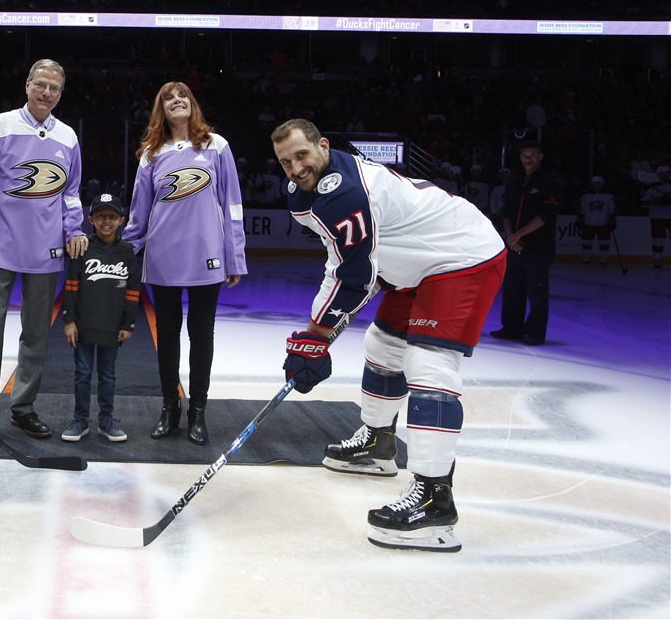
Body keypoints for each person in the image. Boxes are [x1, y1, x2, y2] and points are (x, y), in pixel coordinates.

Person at [270, 118, 506, 553]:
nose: (295, 167)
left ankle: (435, 501)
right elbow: (346, 262)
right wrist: (317, 335)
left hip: (460, 256)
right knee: (383, 345)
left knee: (429, 364)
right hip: (413, 263)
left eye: (302, 155)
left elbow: (355, 275)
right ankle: (379, 443)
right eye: (285, 161)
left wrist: (316, 335)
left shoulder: (343, 192)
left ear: (323, 146)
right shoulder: (308, 191)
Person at [0, 59, 89, 446]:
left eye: (54, 87)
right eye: (40, 85)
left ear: (60, 93)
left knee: (36, 334)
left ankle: (23, 408)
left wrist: (74, 230)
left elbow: (70, 193)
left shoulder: (68, 137)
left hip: (46, 251)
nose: (46, 92)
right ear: (27, 85)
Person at [124, 81, 246, 446]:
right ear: (161, 109)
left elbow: (232, 206)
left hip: (206, 255)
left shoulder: (216, 145)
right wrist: (123, 253)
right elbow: (138, 212)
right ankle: (169, 407)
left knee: (201, 334)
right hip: (162, 256)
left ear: (192, 105)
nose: (176, 101)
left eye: (183, 97)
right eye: (168, 98)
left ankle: (198, 412)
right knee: (168, 333)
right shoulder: (151, 153)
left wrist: (234, 255)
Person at [59, 193, 141, 444]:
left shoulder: (127, 251)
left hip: (112, 326)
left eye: (112, 216)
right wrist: (69, 320)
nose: (107, 221)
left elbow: (133, 290)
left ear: (122, 220)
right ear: (91, 219)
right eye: (101, 216)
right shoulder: (82, 247)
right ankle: (80, 419)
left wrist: (128, 324)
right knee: (82, 373)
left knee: (108, 374)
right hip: (83, 325)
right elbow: (71, 285)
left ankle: (106, 420)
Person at [490, 140, 562, 345]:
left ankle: (535, 332)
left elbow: (546, 215)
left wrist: (518, 235)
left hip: (538, 247)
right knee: (512, 289)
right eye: (524, 155)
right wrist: (512, 237)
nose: (527, 159)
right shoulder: (515, 182)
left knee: (537, 291)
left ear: (540, 156)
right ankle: (512, 328)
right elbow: (506, 212)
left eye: (532, 155)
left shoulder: (549, 182)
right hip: (514, 245)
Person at [577, 176, 616, 265]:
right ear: (592, 185)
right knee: (586, 242)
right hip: (588, 222)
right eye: (595, 184)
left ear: (603, 185)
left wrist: (612, 219)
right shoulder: (585, 196)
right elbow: (580, 208)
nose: (597, 186)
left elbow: (613, 209)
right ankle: (586, 259)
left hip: (604, 223)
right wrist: (580, 218)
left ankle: (604, 259)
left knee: (604, 242)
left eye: (599, 184)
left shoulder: (609, 196)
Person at [642, 165, 671, 269]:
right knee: (658, 239)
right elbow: (643, 202)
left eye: (667, 173)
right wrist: (655, 201)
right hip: (657, 216)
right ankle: (657, 259)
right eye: (662, 174)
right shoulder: (652, 187)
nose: (665, 176)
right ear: (658, 175)